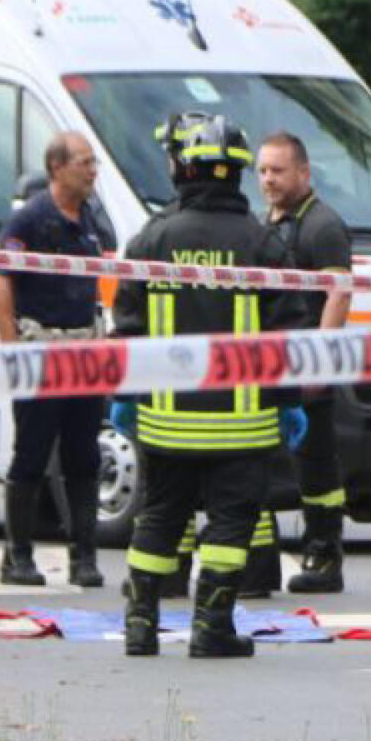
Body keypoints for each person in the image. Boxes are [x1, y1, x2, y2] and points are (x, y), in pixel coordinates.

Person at [110, 115, 306, 658]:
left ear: (182, 169)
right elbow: (290, 338)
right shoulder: (262, 244)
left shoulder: (152, 240)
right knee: (229, 524)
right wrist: (290, 406)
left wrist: (125, 399)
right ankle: (211, 628)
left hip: (165, 423)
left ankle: (140, 626)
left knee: (159, 518)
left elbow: (127, 330)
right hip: (243, 426)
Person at [0, 131, 111, 588]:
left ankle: (84, 557)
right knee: (32, 454)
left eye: (93, 162)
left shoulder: (90, 218)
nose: (92, 170)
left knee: (83, 456)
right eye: (84, 162)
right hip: (40, 350)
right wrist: (11, 350)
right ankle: (17, 556)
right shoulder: (30, 220)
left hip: (83, 352)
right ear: (57, 167)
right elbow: (2, 282)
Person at [253, 131, 352, 596]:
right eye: (262, 171)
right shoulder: (267, 223)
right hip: (273, 366)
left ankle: (324, 554)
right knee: (271, 462)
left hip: (308, 365)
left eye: (278, 171)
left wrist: (320, 358)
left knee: (317, 467)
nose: (268, 180)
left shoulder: (323, 226)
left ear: (303, 173)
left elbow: (338, 293)